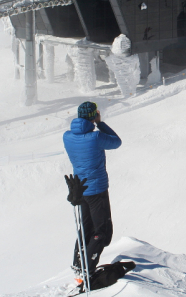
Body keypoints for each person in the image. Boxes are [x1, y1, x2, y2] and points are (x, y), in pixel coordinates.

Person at [64, 102, 122, 284]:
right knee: (101, 232)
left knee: (86, 229)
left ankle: (78, 266)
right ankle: (87, 269)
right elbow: (116, 141)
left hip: (80, 190)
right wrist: (100, 123)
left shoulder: (67, 136)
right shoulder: (95, 137)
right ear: (93, 115)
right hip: (97, 190)